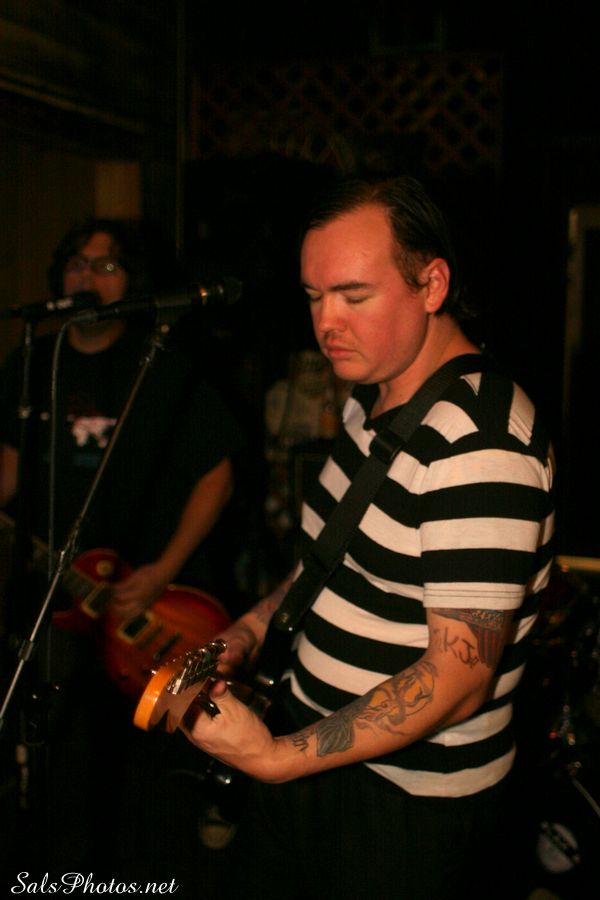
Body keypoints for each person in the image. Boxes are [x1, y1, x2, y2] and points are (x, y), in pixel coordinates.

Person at [179, 176, 556, 899]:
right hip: (312, 756)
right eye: (314, 297)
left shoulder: (479, 442)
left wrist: (278, 757)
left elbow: (459, 678)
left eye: (354, 296)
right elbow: (330, 562)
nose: (327, 324)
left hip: (402, 802)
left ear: (431, 285)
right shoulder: (375, 393)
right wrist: (245, 633)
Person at [0, 218, 244, 877]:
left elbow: (217, 477)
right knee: (63, 743)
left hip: (150, 595)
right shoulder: (34, 362)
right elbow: (9, 474)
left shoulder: (159, 366)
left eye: (107, 266)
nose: (89, 276)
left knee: (151, 753)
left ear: (131, 281)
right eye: (77, 263)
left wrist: (163, 571)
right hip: (62, 593)